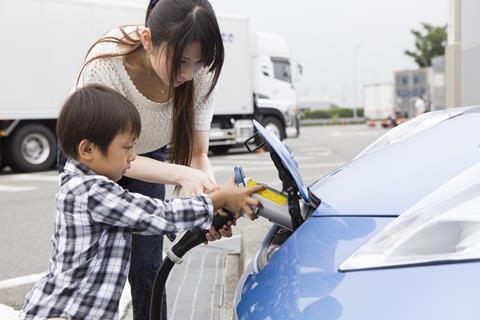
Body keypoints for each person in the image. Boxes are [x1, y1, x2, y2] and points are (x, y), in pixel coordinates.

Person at [20, 85, 264, 320]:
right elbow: (158, 215)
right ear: (88, 150)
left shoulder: (93, 187)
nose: (133, 156)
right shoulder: (90, 191)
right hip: (62, 314)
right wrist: (218, 199)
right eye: (126, 147)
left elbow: (149, 218)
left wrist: (210, 212)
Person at [56, 0, 229, 318]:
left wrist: (211, 201)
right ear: (148, 40)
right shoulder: (107, 62)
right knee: (91, 264)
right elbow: (116, 155)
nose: (189, 74)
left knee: (147, 266)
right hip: (95, 155)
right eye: (180, 62)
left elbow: (197, 154)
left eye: (198, 62)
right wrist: (183, 177)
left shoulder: (198, 71)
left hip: (150, 155)